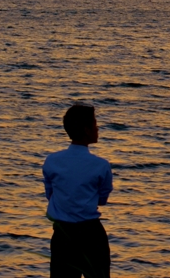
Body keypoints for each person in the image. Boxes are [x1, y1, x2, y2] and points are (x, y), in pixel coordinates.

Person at [42, 104, 114, 278]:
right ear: (86, 129)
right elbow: (102, 199)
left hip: (63, 235)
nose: (98, 128)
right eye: (95, 124)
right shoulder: (100, 165)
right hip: (91, 233)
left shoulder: (52, 161)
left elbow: (50, 194)